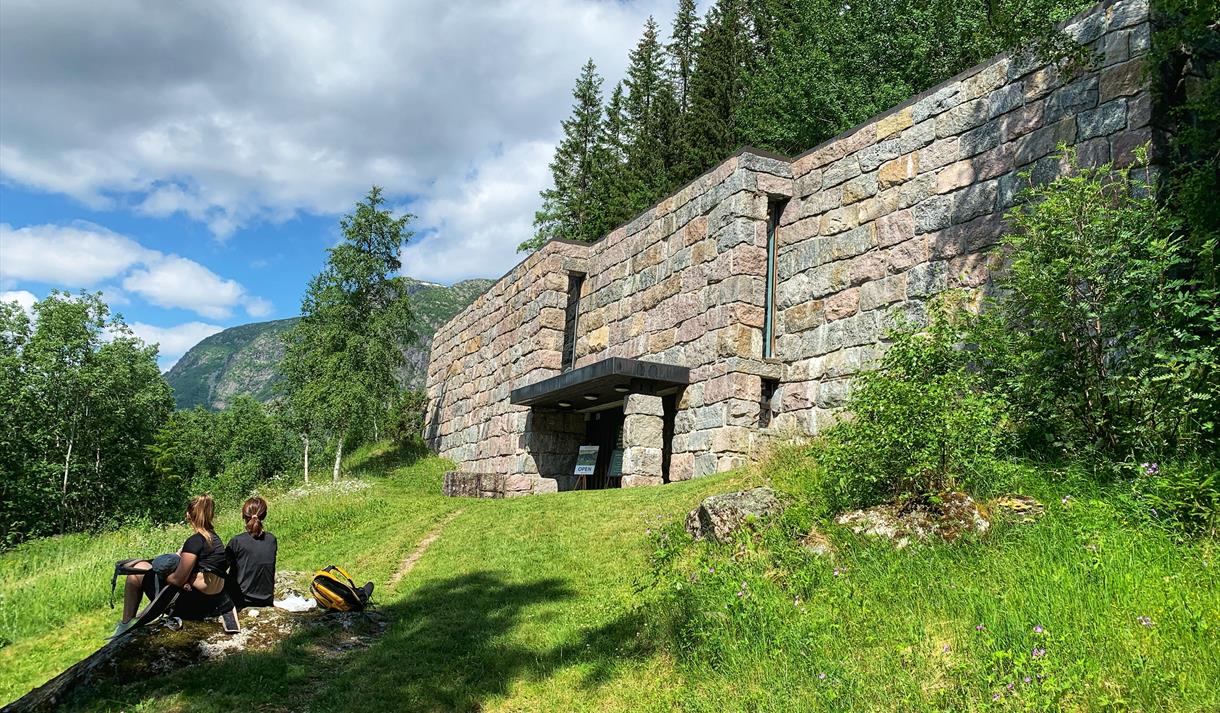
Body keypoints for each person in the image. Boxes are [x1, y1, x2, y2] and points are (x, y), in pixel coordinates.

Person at [114, 494, 230, 636]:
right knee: (142, 565)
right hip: (210, 601)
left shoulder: (195, 541)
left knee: (135, 574)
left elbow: (177, 579)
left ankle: (125, 626)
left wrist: (164, 574)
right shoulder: (215, 540)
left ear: (188, 515)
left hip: (192, 605)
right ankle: (128, 624)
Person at [226, 496, 278, 609]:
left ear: (243, 515)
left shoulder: (237, 541)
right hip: (266, 599)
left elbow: (221, 568)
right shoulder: (271, 540)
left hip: (241, 600)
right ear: (264, 515)